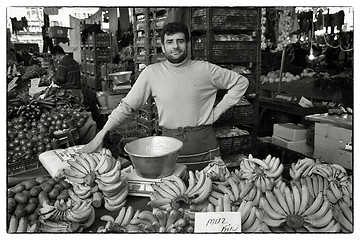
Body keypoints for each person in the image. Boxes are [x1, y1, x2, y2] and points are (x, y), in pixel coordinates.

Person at [81, 22, 249, 171]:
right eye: (170, 42)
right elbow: (127, 107)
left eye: (180, 41)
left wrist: (218, 110)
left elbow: (241, 82)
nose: (175, 46)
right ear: (163, 47)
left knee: (209, 196)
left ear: (188, 45)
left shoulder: (206, 70)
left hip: (204, 147)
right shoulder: (151, 73)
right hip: (170, 147)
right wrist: (101, 133)